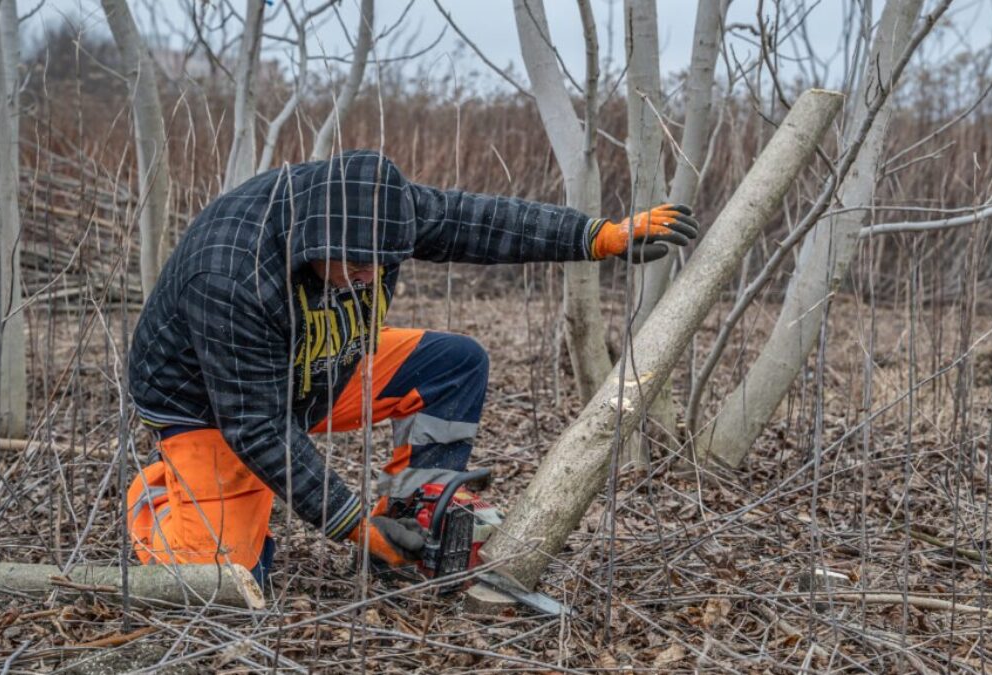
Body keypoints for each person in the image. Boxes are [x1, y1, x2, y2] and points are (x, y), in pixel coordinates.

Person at [125, 150, 698, 583]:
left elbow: (480, 222)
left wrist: (598, 236)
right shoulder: (231, 274)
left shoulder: (375, 207)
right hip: (209, 403)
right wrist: (351, 523)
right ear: (311, 240)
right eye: (355, 264)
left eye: (383, 262)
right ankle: (156, 497)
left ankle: (411, 516)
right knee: (225, 580)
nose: (370, 276)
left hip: (320, 368)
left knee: (453, 364)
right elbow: (256, 424)